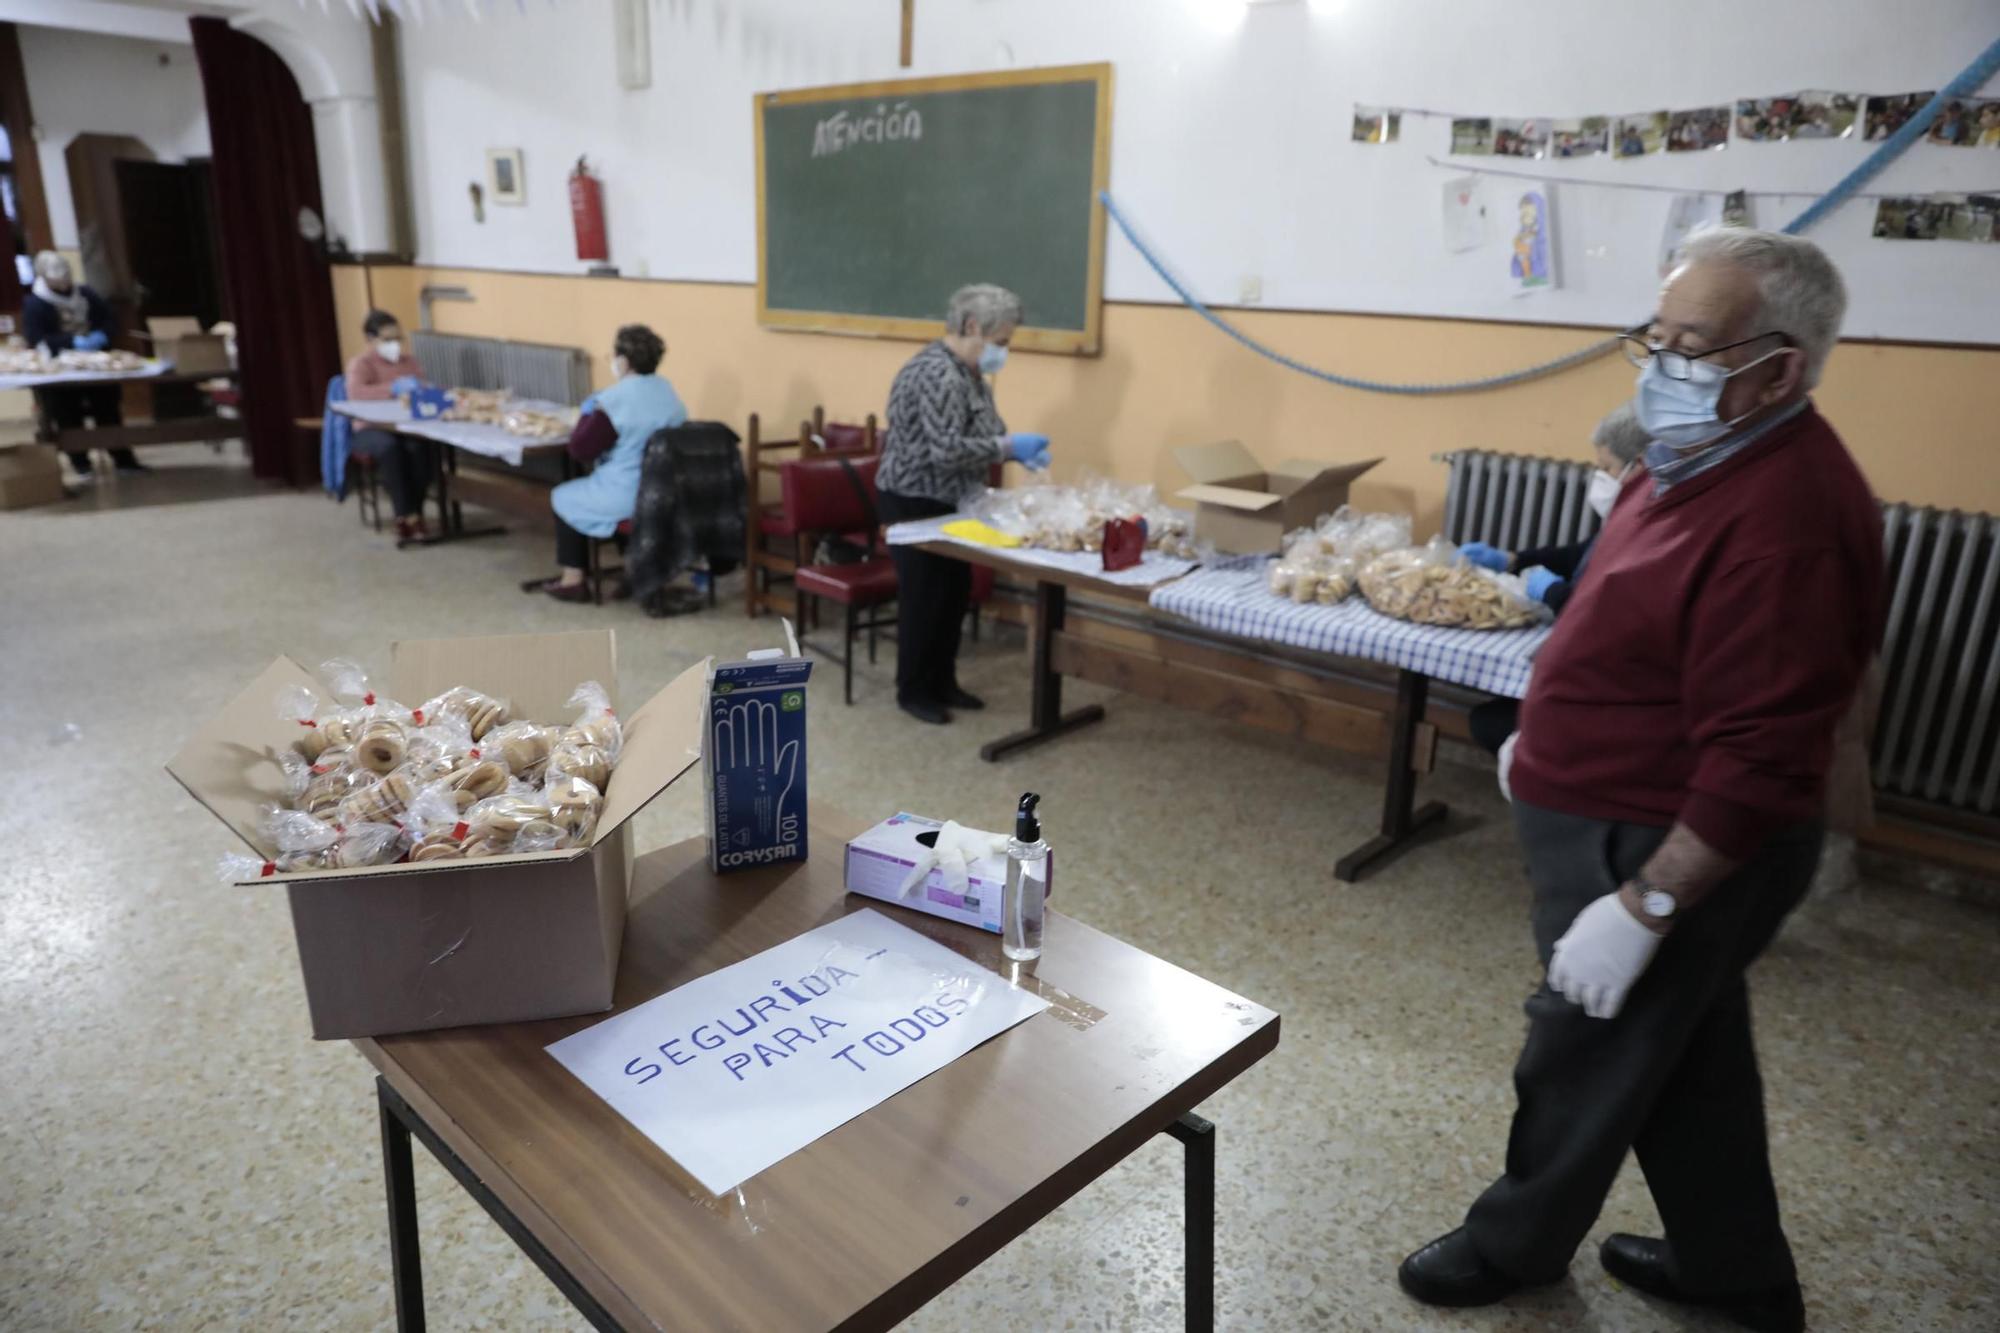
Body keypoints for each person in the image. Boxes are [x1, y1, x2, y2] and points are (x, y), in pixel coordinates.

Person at [1398, 229, 1883, 1333]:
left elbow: (1763, 755)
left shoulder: (1785, 520)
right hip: (1603, 798)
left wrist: (1645, 904)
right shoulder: (1701, 456)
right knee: (1685, 1050)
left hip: (1658, 838)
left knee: (1582, 1046)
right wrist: (1544, 732)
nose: (1659, 366)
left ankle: (1509, 1243)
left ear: (1779, 367)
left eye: (1691, 346)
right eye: (1651, 339)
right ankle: (1733, 1270)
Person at [876, 284, 1051, 725]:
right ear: (973, 326)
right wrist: (1009, 446)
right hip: (914, 498)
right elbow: (947, 450)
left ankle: (944, 682)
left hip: (952, 499)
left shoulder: (969, 372)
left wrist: (1010, 446)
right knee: (923, 598)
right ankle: (913, 690)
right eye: (1002, 342)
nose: (1004, 352)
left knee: (953, 595)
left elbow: (983, 430)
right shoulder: (937, 374)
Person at [1459, 399, 1650, 755]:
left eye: (1605, 467)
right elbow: (1580, 554)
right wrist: (1511, 559)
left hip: (1610, 692)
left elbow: (1603, 623)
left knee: (1490, 720)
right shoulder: (1626, 517)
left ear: (1639, 467)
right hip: (1585, 666)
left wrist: (1555, 593)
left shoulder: (1650, 532)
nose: (1600, 479)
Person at [530, 323, 686, 602]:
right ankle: (634, 570)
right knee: (607, 502)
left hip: (626, 491)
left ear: (623, 361)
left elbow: (581, 450)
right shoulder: (668, 392)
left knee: (563, 496)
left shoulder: (615, 399)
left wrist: (589, 415)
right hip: (664, 491)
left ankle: (574, 578)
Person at [21, 250, 143, 478]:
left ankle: (122, 458)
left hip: (96, 363)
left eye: (66, 277)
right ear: (44, 278)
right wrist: (69, 341)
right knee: (67, 414)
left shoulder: (85, 294)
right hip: (61, 367)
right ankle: (81, 462)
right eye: (56, 279)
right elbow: (36, 337)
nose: (63, 283)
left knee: (108, 410)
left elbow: (109, 320)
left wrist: (100, 336)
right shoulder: (35, 303)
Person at [344, 310, 434, 542]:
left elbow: (423, 386)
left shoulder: (409, 362)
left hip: (406, 425)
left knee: (421, 449)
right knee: (390, 449)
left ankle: (416, 511)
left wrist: (420, 388)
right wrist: (392, 388)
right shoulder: (361, 364)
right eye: (387, 340)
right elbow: (356, 393)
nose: (394, 345)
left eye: (398, 338)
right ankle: (403, 515)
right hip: (371, 428)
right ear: (371, 340)